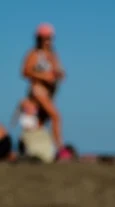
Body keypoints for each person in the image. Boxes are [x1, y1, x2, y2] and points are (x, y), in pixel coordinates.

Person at [21, 23, 66, 152]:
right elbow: (25, 71)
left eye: (49, 38)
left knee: (39, 123)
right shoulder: (34, 54)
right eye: (44, 38)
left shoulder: (52, 55)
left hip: (49, 93)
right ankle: (60, 148)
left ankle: (33, 148)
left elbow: (58, 71)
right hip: (38, 91)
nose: (47, 41)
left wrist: (59, 74)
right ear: (39, 39)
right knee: (56, 116)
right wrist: (43, 76)